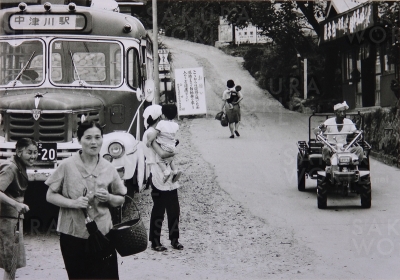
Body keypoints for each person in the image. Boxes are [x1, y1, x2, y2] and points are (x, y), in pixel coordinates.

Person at [45, 121, 126, 280]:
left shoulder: (108, 168)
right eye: (88, 138)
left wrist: (109, 197)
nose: (93, 142)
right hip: (73, 235)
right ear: (79, 140)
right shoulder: (66, 166)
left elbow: (121, 199)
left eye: (97, 137)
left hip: (103, 234)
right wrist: (73, 203)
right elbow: (50, 195)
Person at [142, 105, 184, 252]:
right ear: (158, 117)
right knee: (159, 208)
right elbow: (163, 154)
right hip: (157, 174)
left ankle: (174, 240)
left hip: (166, 173)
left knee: (174, 209)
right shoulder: (150, 133)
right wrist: (173, 151)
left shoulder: (160, 131)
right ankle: (155, 241)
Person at [0, 138, 38, 280]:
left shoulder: (19, 166)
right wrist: (16, 204)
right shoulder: (11, 167)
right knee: (10, 262)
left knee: (12, 262)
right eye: (29, 152)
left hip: (13, 219)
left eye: (35, 152)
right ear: (18, 152)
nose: (33, 156)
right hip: (6, 219)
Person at [313, 101, 364, 166]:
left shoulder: (348, 122)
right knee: (325, 149)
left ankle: (354, 163)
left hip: (345, 148)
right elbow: (319, 130)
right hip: (332, 147)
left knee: (360, 149)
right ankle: (329, 164)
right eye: (340, 112)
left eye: (343, 112)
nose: (342, 114)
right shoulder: (329, 121)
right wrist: (321, 128)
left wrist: (357, 134)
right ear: (335, 113)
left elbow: (355, 131)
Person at [146, 104, 182, 183]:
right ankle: (175, 171)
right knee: (170, 159)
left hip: (164, 146)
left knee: (159, 160)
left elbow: (155, 133)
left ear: (163, 115)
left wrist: (149, 141)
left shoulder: (161, 123)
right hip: (172, 146)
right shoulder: (176, 125)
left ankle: (166, 172)